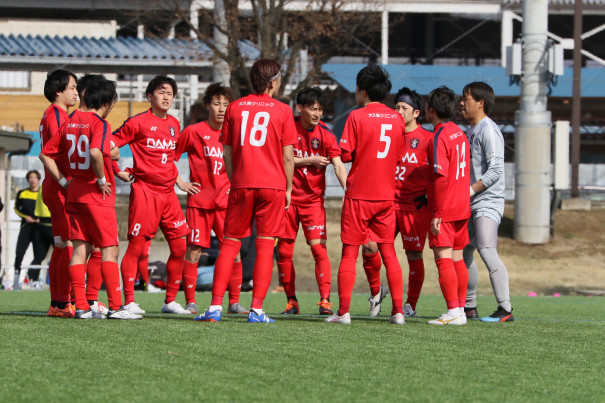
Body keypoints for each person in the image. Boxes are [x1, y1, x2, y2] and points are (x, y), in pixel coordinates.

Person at [195, 58, 296, 324]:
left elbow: (226, 151)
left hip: (241, 184)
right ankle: (257, 311)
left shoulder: (235, 108)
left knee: (230, 244)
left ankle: (215, 308)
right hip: (273, 185)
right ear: (273, 80)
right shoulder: (283, 110)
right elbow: (288, 157)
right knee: (265, 246)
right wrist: (288, 187)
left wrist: (234, 178)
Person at [40, 78, 136, 319]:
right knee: (109, 249)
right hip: (95, 193)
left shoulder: (69, 122)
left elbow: (45, 154)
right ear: (105, 102)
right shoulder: (99, 123)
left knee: (79, 250)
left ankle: (81, 306)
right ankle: (115, 307)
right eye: (112, 103)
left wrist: (64, 181)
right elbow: (95, 151)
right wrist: (103, 179)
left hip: (74, 192)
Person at [325, 63, 406, 325]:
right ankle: (398, 313)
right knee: (389, 252)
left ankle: (343, 312)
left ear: (362, 91)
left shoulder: (356, 117)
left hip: (359, 194)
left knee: (349, 252)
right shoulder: (396, 118)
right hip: (386, 195)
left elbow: (346, 154)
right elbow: (399, 154)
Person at [113, 75, 194, 315]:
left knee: (180, 247)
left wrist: (180, 181)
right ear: (150, 96)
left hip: (169, 195)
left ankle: (169, 301)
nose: (166, 96)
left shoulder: (175, 124)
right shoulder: (137, 122)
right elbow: (109, 145)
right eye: (161, 92)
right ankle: (128, 301)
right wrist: (118, 172)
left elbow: (169, 160)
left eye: (170, 92)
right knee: (136, 248)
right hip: (145, 192)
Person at [175, 82, 248, 315]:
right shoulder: (193, 131)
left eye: (226, 105)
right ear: (208, 105)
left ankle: (234, 302)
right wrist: (181, 183)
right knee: (194, 249)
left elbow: (244, 164)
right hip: (199, 202)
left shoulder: (236, 133)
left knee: (233, 250)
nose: (221, 109)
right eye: (216, 103)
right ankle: (190, 301)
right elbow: (170, 157)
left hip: (227, 203)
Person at [277, 86, 347, 316]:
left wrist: (349, 190)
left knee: (319, 250)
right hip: (287, 200)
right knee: (285, 252)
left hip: (313, 203)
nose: (317, 114)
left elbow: (337, 163)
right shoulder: (288, 128)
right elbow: (281, 159)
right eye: (312, 108)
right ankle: (291, 301)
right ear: (300, 108)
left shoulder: (326, 134)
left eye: (320, 109)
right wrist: (309, 160)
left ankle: (325, 300)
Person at [460, 81, 514, 322]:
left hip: (487, 201)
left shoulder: (488, 130)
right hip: (470, 200)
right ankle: (469, 306)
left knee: (486, 248)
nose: (462, 103)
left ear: (480, 103)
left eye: (466, 99)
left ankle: (505, 309)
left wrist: (469, 191)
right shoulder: (470, 131)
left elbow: (495, 172)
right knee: (465, 251)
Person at [425, 86, 471, 326]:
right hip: (462, 206)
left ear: (431, 109)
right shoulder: (459, 133)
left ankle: (453, 311)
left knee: (443, 258)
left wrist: (437, 213)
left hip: (447, 208)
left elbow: (441, 177)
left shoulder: (439, 136)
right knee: (457, 258)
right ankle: (460, 310)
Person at [39, 69, 78, 317]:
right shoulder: (56, 115)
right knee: (70, 245)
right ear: (58, 91)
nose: (76, 92)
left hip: (54, 187)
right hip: (60, 187)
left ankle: (58, 303)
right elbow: (55, 151)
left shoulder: (56, 114)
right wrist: (66, 181)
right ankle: (65, 303)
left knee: (62, 245)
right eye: (72, 87)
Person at [392, 87, 433, 318]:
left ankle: (411, 305)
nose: (399, 111)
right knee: (372, 247)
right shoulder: (389, 135)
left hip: (415, 207)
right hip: (388, 203)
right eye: (396, 106)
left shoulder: (427, 139)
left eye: (404, 108)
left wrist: (429, 195)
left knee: (413, 255)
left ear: (416, 112)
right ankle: (378, 291)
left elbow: (440, 171)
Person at [13, 170, 52, 283]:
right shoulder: (22, 193)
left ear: (38, 179)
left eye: (34, 177)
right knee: (19, 253)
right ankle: (16, 277)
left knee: (39, 255)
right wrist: (25, 217)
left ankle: (33, 279)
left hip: (39, 227)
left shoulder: (43, 192)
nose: (32, 180)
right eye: (30, 177)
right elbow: (16, 208)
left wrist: (41, 217)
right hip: (26, 226)